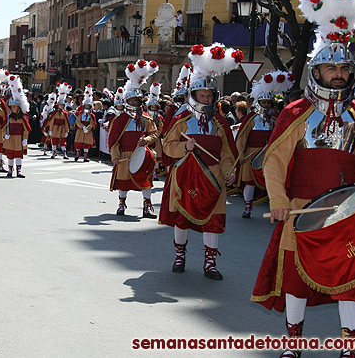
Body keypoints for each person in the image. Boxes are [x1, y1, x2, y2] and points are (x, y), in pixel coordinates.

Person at [251, 0, 355, 358]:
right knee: (295, 279)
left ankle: (349, 346)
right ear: (316, 73)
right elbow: (274, 161)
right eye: (331, 69)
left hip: (347, 212)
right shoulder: (296, 114)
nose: (339, 74)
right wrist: (279, 199)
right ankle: (293, 342)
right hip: (301, 209)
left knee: (349, 280)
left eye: (344, 69)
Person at [159, 44, 241, 280]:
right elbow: (167, 147)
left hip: (213, 176)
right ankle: (179, 256)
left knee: (213, 221)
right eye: (202, 94)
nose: (206, 98)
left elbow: (226, 152)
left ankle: (211, 263)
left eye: (209, 95)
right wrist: (185, 146)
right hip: (185, 174)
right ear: (193, 95)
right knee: (182, 218)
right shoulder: (182, 118)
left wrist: (228, 171)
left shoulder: (219, 122)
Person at [235, 71, 293, 218]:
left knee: (273, 182)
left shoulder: (275, 119)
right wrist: (241, 153)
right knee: (250, 182)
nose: (266, 105)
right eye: (263, 102)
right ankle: (247, 207)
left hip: (269, 154)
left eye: (268, 103)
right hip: (251, 155)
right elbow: (242, 137)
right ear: (258, 102)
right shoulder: (251, 118)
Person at [109, 60, 160, 218]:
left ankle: (147, 206)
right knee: (124, 181)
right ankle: (121, 204)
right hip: (125, 155)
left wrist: (147, 140)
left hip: (142, 154)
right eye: (131, 101)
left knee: (146, 181)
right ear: (126, 102)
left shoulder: (146, 118)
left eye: (136, 101)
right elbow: (114, 140)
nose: (134, 103)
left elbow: (154, 133)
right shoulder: (120, 119)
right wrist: (116, 156)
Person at [2, 75, 31, 177]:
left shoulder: (22, 118)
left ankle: (19, 171)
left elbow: (26, 129)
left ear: (18, 108)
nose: (12, 108)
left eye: (14, 106)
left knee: (19, 154)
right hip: (10, 138)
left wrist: (25, 139)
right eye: (12, 106)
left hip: (19, 138)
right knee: (10, 154)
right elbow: (3, 128)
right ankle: (10, 170)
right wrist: (5, 135)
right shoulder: (9, 117)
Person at [46, 83, 71, 159]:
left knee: (63, 141)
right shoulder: (54, 113)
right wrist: (50, 130)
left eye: (63, 105)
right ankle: (54, 153)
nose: (62, 106)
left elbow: (66, 122)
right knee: (54, 140)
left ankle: (64, 154)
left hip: (62, 128)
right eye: (60, 105)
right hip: (55, 128)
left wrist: (67, 131)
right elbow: (51, 121)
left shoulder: (65, 113)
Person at [74, 85, 97, 162]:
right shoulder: (80, 114)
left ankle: (85, 156)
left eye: (88, 107)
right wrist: (82, 127)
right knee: (78, 142)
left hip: (88, 131)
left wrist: (88, 128)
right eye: (86, 106)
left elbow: (93, 123)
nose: (87, 108)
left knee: (87, 143)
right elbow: (77, 121)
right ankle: (78, 153)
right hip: (81, 130)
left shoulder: (92, 115)